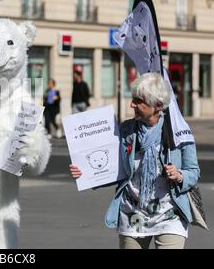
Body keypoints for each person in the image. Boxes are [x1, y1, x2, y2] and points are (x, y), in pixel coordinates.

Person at [69, 73, 200, 249]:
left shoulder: (179, 130)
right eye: (133, 99)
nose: (132, 104)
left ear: (158, 106)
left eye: (138, 101)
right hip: (132, 214)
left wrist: (179, 175)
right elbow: (114, 170)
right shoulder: (126, 129)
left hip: (170, 214)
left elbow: (193, 171)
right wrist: (85, 172)